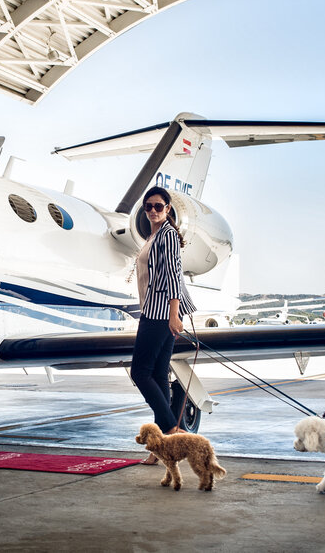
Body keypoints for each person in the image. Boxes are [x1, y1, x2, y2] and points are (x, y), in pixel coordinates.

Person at [131, 186, 196, 464]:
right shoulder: (152, 235)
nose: (153, 211)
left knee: (140, 372)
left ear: (168, 209)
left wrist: (174, 313)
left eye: (159, 206)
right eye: (149, 207)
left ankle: (171, 431)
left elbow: (173, 274)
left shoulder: (167, 235)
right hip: (153, 309)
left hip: (160, 312)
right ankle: (162, 447)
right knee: (157, 375)